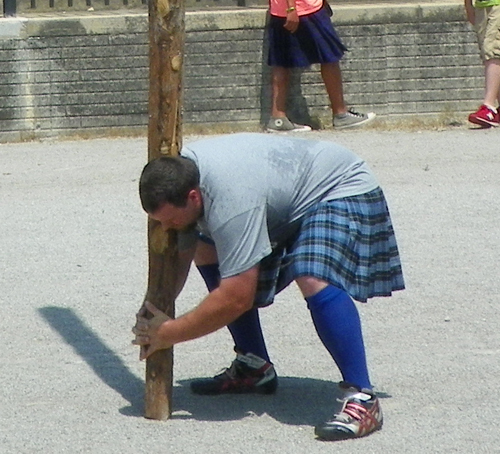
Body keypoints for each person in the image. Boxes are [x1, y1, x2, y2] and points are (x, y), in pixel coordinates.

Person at [132, 133, 404, 441]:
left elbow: (237, 297)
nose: (165, 228)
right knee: (206, 246)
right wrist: (156, 308)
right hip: (285, 193)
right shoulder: (181, 175)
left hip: (337, 188)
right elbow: (184, 249)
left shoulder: (231, 200)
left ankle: (363, 398)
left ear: (194, 197)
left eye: (169, 220)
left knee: (312, 273)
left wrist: (169, 333)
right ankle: (254, 367)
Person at [265, 0, 376, 132]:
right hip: (304, 9)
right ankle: (341, 114)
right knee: (329, 55)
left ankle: (278, 119)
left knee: (281, 61)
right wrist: (291, 9)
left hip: (281, 9)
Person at [465, 0, 500, 127]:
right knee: (487, 53)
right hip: (481, 7)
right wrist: (468, 5)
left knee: (493, 50)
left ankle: (489, 106)